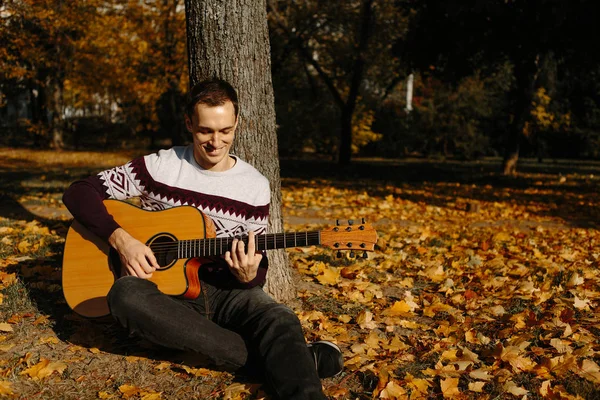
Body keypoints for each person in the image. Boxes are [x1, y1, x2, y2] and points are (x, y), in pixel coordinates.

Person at [62, 78, 343, 399]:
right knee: (125, 293)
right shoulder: (159, 167)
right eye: (205, 131)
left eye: (225, 131)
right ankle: (293, 360)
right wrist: (122, 240)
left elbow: (257, 268)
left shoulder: (254, 186)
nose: (216, 142)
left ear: (237, 122)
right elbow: (79, 192)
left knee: (279, 316)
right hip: (166, 298)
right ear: (188, 124)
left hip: (227, 290)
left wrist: (250, 273)